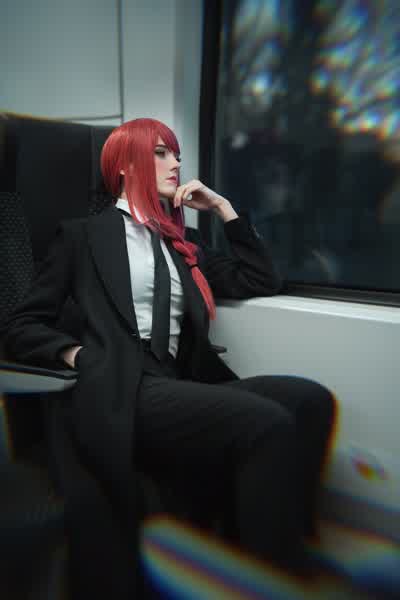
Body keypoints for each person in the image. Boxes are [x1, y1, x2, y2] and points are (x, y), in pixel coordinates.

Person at [2, 118, 336, 598]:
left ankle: (266, 540)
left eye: (176, 153)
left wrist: (223, 210)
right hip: (121, 383)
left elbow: (261, 279)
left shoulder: (182, 244)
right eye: (160, 153)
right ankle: (278, 576)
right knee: (266, 423)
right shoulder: (82, 236)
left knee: (310, 400)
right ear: (124, 166)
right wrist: (77, 355)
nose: (176, 162)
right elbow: (22, 324)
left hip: (178, 378)